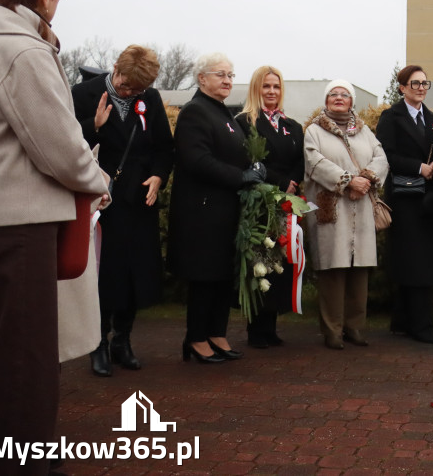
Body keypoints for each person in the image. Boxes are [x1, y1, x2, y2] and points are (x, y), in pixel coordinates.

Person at [0, 0, 110, 475]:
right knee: (25, 361)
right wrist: (99, 179)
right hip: (21, 224)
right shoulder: (21, 49)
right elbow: (60, 145)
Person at [73, 45, 175, 376]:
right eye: (125, 84)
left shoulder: (151, 100)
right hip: (102, 202)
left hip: (139, 201)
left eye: (137, 89)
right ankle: (98, 344)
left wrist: (159, 175)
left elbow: (164, 147)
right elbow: (64, 144)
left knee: (134, 274)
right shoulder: (83, 94)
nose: (129, 92)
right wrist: (94, 125)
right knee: (105, 274)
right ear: (115, 66)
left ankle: (123, 341)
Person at [168, 53, 263, 364]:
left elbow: (234, 153)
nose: (227, 80)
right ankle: (195, 338)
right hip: (202, 211)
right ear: (202, 79)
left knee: (222, 274)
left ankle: (216, 333)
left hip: (225, 209)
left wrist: (254, 166)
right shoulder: (195, 112)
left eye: (231, 75)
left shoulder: (222, 113)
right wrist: (241, 177)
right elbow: (198, 161)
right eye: (220, 74)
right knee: (205, 276)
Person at [304, 80, 388, 350]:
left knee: (359, 271)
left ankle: (355, 328)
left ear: (351, 101)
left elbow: (381, 158)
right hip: (332, 208)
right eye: (333, 94)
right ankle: (332, 331)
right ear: (326, 100)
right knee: (333, 269)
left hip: (361, 207)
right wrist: (347, 181)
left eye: (344, 95)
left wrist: (365, 179)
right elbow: (315, 162)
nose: (338, 98)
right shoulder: (314, 131)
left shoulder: (364, 132)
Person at [235, 66, 304, 348]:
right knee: (260, 262)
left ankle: (271, 326)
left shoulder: (293, 126)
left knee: (279, 263)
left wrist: (293, 183)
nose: (271, 92)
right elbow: (249, 162)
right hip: (259, 204)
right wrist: (280, 182)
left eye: (276, 87)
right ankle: (256, 329)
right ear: (256, 89)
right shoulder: (244, 122)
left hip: (286, 204)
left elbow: (300, 162)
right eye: (266, 87)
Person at [375, 65, 433, 344]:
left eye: (424, 83)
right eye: (414, 83)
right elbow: (384, 153)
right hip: (404, 199)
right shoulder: (391, 117)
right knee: (412, 260)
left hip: (427, 199)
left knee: (424, 258)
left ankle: (402, 321)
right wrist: (419, 167)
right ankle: (420, 325)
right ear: (402, 88)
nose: (420, 88)